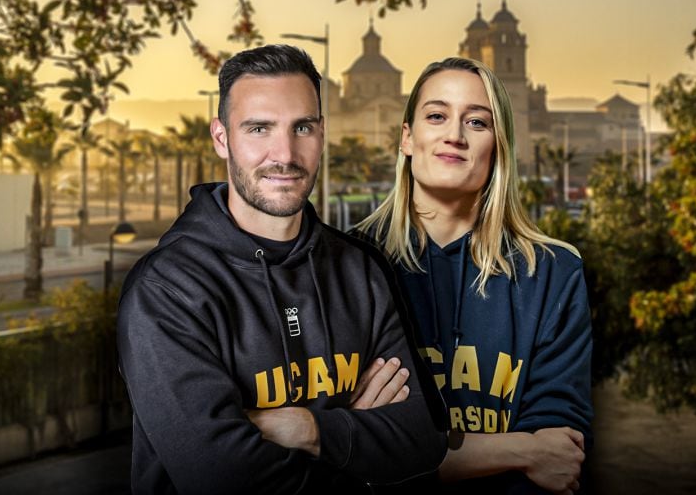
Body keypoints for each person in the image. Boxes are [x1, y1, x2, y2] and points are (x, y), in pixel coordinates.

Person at [116, 44, 447, 494]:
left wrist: (306, 430)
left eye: (302, 127)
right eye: (258, 128)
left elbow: (423, 441)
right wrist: (353, 436)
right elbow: (221, 478)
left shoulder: (361, 270)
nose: (284, 153)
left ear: (322, 134)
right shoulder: (168, 289)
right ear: (221, 137)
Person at [354, 57, 593, 495]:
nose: (454, 135)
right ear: (407, 138)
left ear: (499, 144)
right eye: (437, 116)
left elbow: (558, 459)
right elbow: (339, 455)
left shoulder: (553, 274)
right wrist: (520, 450)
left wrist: (391, 453)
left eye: (477, 122)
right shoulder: (344, 264)